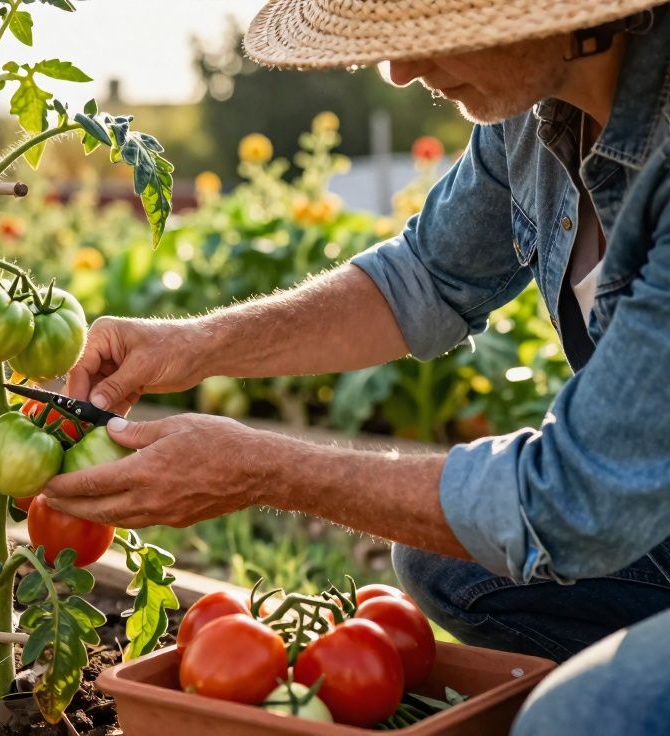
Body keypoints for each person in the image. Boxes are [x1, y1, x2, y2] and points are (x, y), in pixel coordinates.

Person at [40, 1, 670, 733]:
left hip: (607, 501)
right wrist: (197, 344)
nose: (399, 70)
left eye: (438, 24)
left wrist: (262, 470)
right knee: (449, 567)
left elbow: (574, 500)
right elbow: (425, 278)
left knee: (577, 718)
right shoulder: (531, 116)